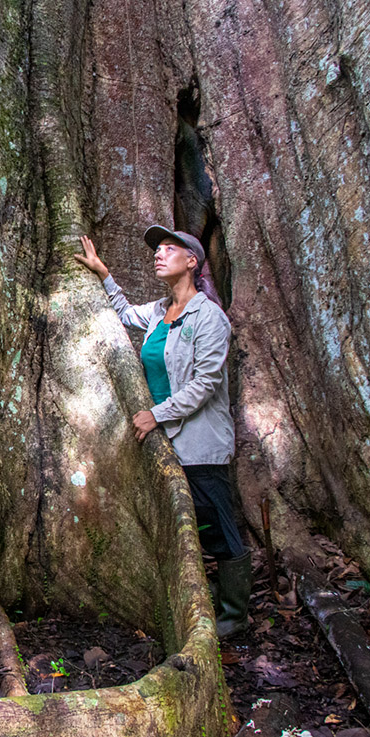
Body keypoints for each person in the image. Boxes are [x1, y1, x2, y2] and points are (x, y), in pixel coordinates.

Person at [74, 226, 251, 638]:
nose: (159, 253)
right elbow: (122, 313)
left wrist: (157, 414)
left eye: (169, 249)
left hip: (200, 444)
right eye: (157, 248)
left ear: (192, 261)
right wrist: (102, 273)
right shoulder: (158, 311)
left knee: (217, 527)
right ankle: (199, 598)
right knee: (180, 524)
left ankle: (234, 614)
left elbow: (206, 383)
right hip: (166, 443)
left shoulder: (209, 318)